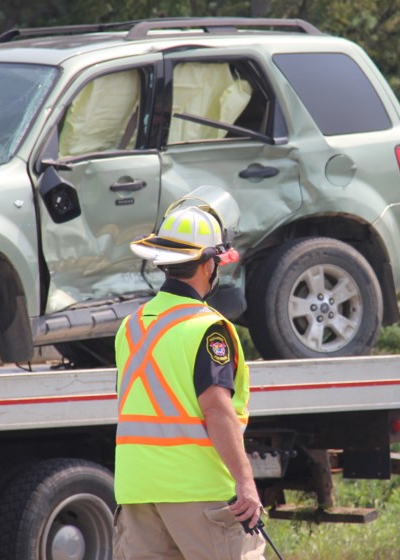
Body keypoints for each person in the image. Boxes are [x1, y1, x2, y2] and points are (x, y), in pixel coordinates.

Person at [113, 189, 265, 560]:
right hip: (198, 492)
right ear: (208, 264)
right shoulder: (208, 329)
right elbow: (216, 410)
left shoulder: (132, 326)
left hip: (137, 492)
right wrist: (245, 483)